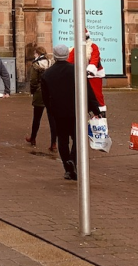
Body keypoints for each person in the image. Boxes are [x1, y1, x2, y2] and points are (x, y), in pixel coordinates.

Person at [41, 44, 102, 180]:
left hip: (58, 112)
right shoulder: (77, 71)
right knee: (77, 138)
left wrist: (51, 110)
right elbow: (88, 92)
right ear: (67, 55)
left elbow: (46, 97)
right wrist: (95, 109)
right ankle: (73, 160)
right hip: (76, 111)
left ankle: (67, 166)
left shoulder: (47, 74)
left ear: (55, 56)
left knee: (62, 139)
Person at [68, 28, 106, 114]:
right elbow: (70, 60)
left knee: (96, 95)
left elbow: (95, 59)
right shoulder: (75, 49)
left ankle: (101, 113)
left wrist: (89, 71)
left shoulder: (93, 47)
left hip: (94, 75)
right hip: (80, 75)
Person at [26, 45, 56, 151]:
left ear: (37, 54)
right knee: (52, 119)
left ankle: (33, 138)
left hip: (40, 93)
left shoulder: (35, 65)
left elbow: (33, 80)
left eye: (35, 53)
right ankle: (53, 143)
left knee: (37, 118)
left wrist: (33, 91)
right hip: (51, 93)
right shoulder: (51, 63)